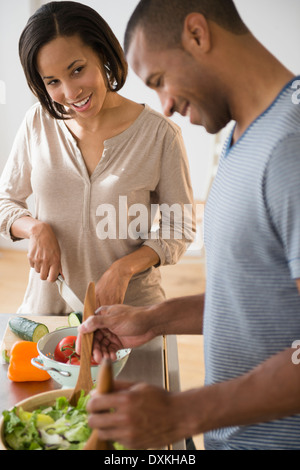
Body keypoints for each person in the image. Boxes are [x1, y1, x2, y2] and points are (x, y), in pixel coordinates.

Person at [77, 0, 300, 451]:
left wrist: (182, 412)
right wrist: (153, 319)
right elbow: (254, 297)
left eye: (160, 81)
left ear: (197, 34)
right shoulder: (247, 136)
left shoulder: (291, 145)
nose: (167, 105)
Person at [0, 1, 195, 314]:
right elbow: (4, 202)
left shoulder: (160, 135)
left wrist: (125, 267)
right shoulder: (37, 122)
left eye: (77, 70)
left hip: (131, 314)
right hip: (48, 310)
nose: (71, 92)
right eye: (53, 82)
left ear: (103, 53)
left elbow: (179, 227)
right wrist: (35, 229)